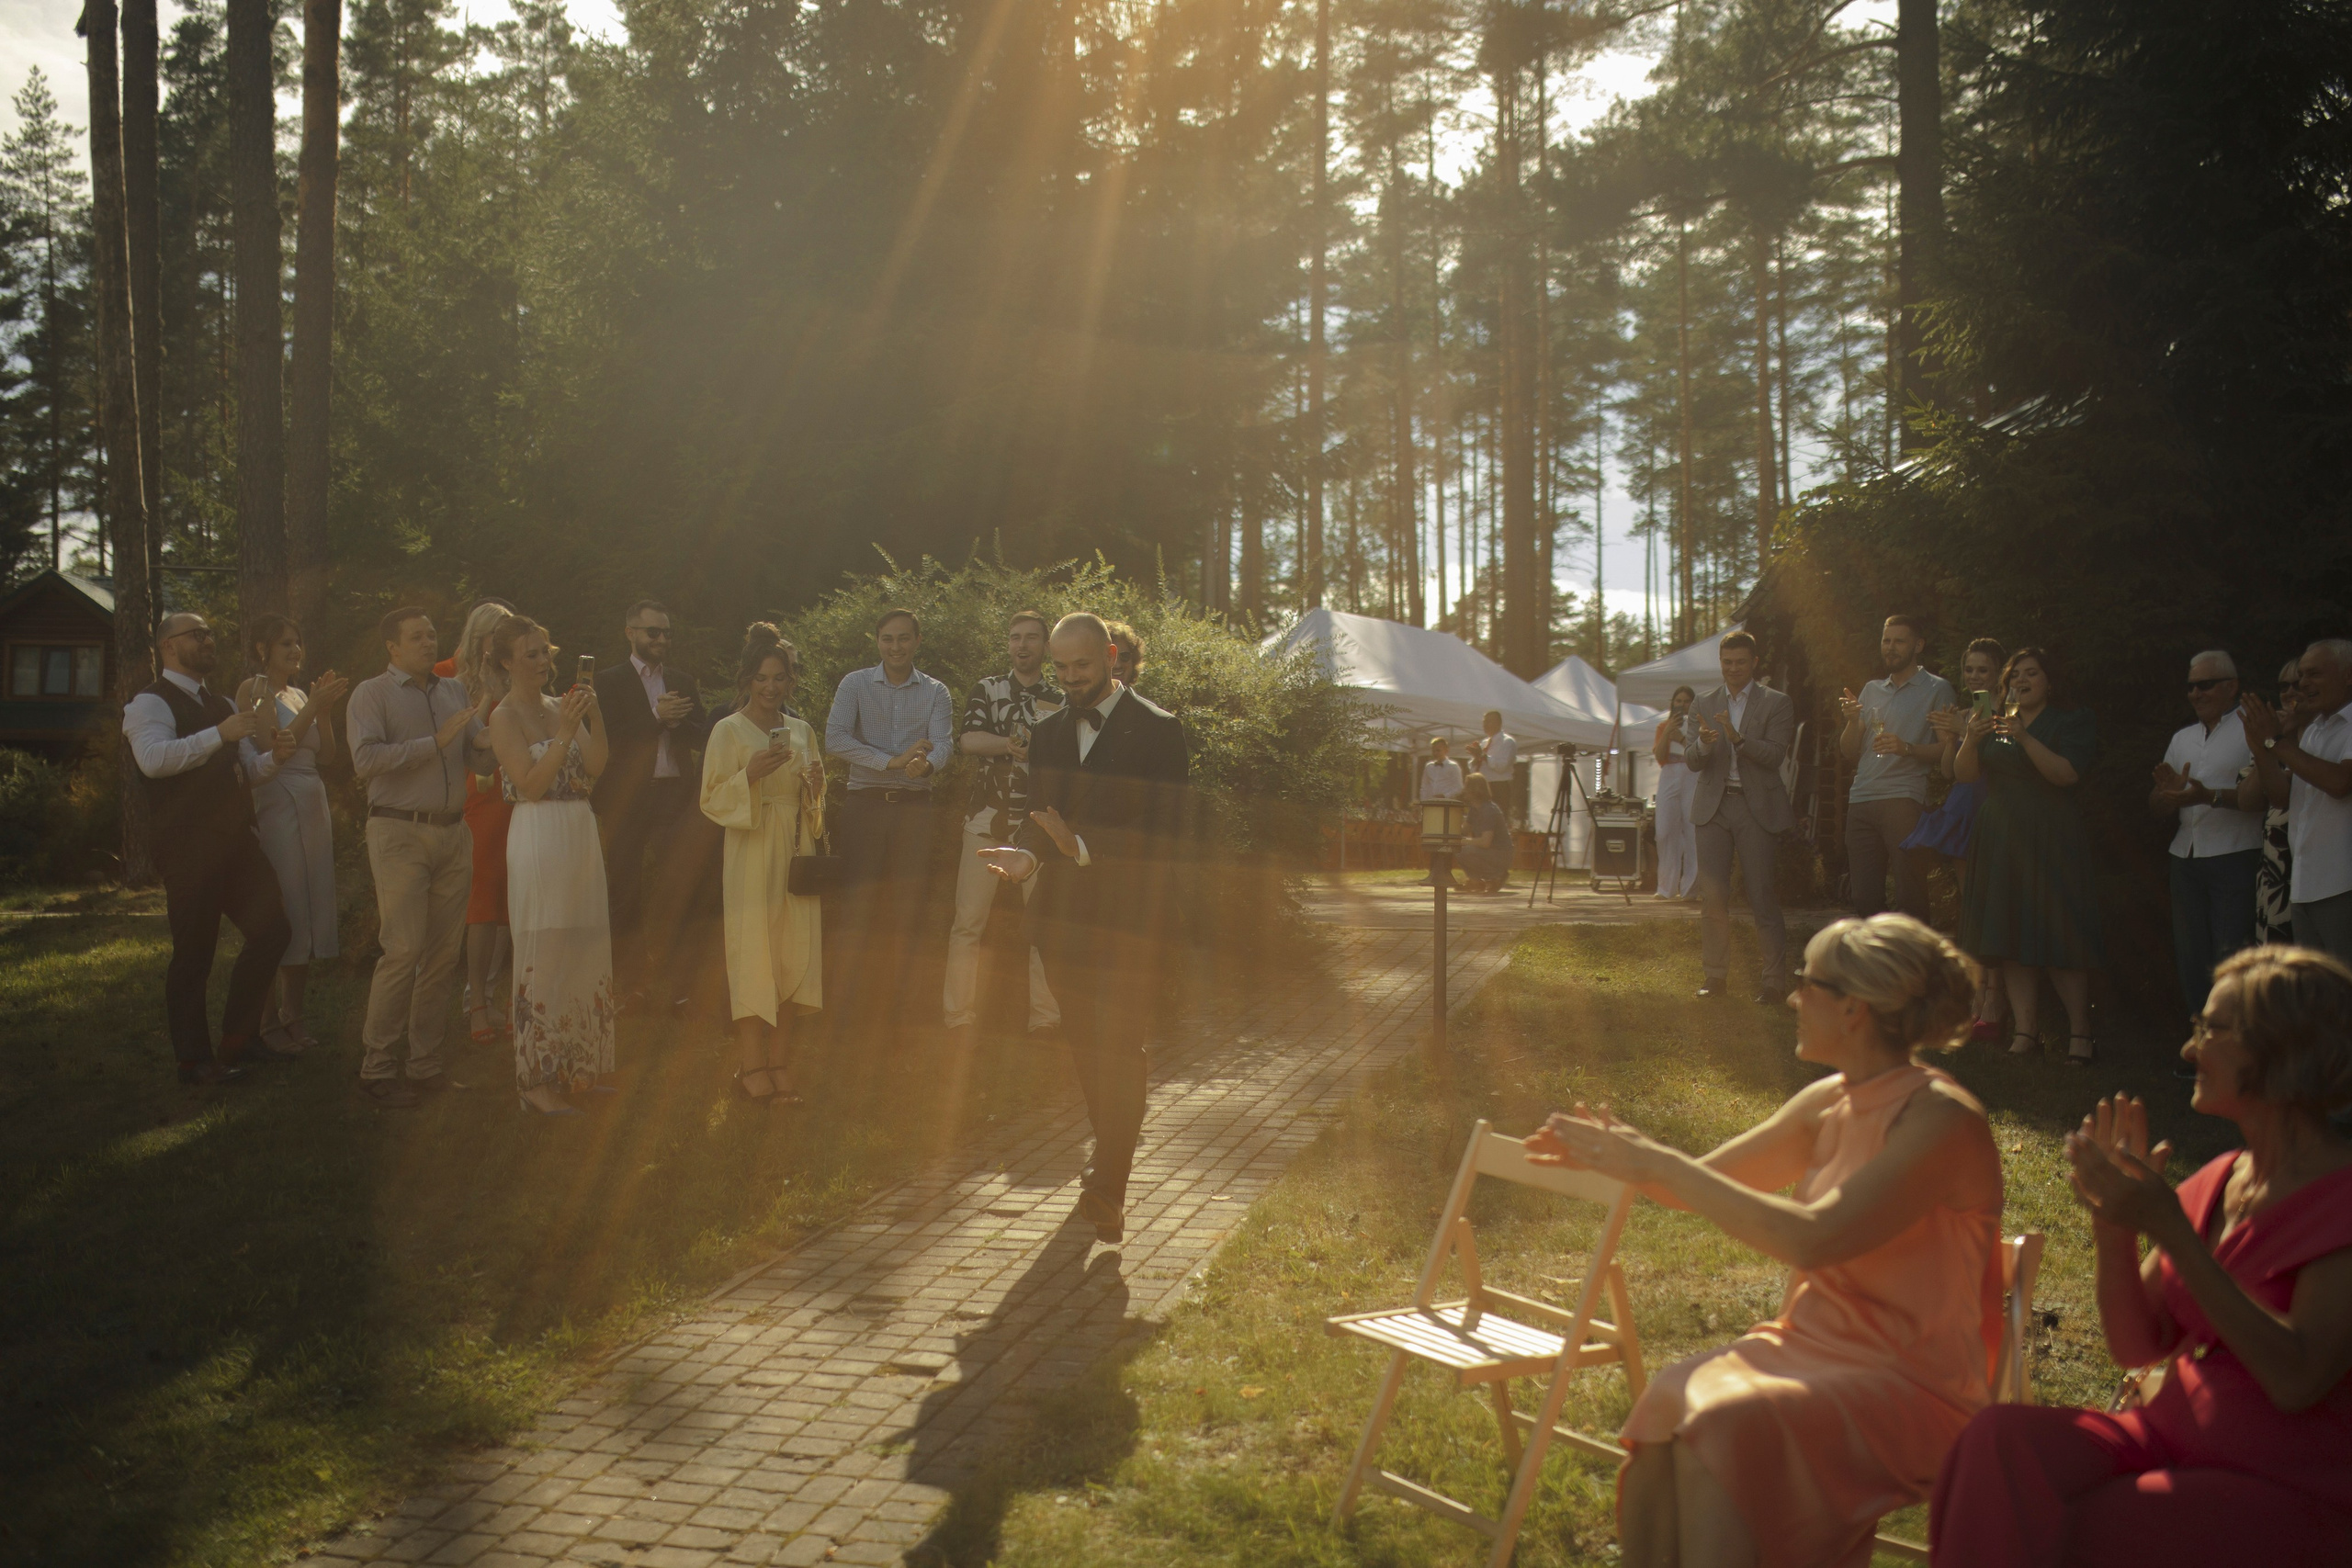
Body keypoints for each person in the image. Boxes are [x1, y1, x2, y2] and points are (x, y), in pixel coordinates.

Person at [1531, 914, 2004, 1568]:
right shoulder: (1828, 1101)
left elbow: (1814, 1239)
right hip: (1809, 1345)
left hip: (1913, 1382)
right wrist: (1616, 1156)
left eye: (1805, 981)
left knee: (1723, 1426)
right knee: (1669, 1397)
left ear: (1853, 1006)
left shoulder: (1941, 1119)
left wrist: (1658, 1164)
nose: (1790, 996)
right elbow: (1700, 1183)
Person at [1929, 945, 2352, 1565]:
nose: (2188, 1049)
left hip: (2287, 1486)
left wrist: (2171, 1229)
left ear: (2279, 1046)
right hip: (2160, 1437)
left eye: (2209, 1029)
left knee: (2112, 1520)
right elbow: (2137, 1344)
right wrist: (2114, 1229)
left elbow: (2297, 1377)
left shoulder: (2339, 1199)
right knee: (1999, 1443)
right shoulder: (2221, 1177)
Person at [978, 613, 1191, 1244]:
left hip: (1131, 921)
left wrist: (1086, 845)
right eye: (1061, 669)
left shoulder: (1159, 731)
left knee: (1120, 1048)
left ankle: (1109, 1185)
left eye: (1083, 667)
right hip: (1063, 923)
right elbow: (1041, 819)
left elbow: (1171, 831)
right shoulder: (1045, 734)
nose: (1071, 680)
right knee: (1086, 1047)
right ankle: (1111, 1147)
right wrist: (1028, 854)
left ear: (1109, 655)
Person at [123, 613, 295, 1086]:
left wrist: (275, 759)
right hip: (188, 847)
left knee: (273, 932)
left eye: (211, 633)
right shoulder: (148, 704)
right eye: (197, 634)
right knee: (194, 954)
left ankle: (240, 1042)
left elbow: (245, 771)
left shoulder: (219, 703)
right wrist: (220, 734)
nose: (208, 640)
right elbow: (154, 761)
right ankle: (193, 1061)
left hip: (238, 843)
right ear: (168, 647)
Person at [347, 607, 495, 1108]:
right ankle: (377, 1067)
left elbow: (476, 755)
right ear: (392, 647)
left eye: (432, 634)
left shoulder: (453, 691)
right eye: (416, 637)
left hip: (455, 834)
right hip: (399, 832)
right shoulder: (372, 694)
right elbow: (365, 761)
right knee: (404, 949)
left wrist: (496, 736)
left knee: (440, 956)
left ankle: (425, 1065)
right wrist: (435, 742)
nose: (429, 643)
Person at [487, 615, 613, 1116]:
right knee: (545, 950)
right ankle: (535, 1081)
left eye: (546, 652)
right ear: (506, 662)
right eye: (530, 654)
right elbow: (530, 785)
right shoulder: (504, 716)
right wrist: (563, 733)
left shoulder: (564, 705)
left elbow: (598, 766)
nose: (543, 662)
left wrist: (592, 717)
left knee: (581, 943)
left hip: (579, 828)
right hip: (539, 832)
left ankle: (578, 1068)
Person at [1956, 646, 2103, 1066]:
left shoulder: (2072, 720)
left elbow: (2067, 774)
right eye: (2014, 675)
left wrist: (2022, 735)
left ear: (2050, 681)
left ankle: (2080, 1032)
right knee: (2009, 932)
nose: (2020, 681)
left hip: (2050, 833)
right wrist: (1971, 736)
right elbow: (1965, 775)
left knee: (2059, 932)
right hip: (2000, 833)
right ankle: (2025, 1031)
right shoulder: (1994, 722)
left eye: (2031, 674)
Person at [702, 624, 828, 1106]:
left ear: (790, 681)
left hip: (796, 853)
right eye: (761, 677)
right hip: (750, 852)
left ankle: (780, 1062)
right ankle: (751, 1065)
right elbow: (711, 799)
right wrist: (749, 775)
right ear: (747, 680)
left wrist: (815, 787)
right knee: (754, 954)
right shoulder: (727, 730)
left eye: (779, 678)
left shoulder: (802, 731)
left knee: (791, 953)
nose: (770, 687)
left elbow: (815, 812)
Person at [825, 607, 955, 1030]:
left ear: (918, 641)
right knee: (858, 905)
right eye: (887, 638)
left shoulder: (936, 691)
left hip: (914, 809)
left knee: (906, 908)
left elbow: (944, 744)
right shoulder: (856, 684)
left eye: (903, 638)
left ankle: (900, 1012)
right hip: (865, 804)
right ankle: (848, 1008)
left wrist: (925, 766)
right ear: (877, 641)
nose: (895, 646)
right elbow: (836, 737)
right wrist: (891, 762)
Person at [944, 610, 1065, 1045]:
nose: (1022, 646)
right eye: (1015, 638)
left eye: (1032, 638)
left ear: (1046, 646)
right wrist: (1011, 747)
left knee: (1042, 927)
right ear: (1008, 643)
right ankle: (959, 1018)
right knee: (968, 924)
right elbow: (968, 740)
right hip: (986, 823)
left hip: (1037, 829)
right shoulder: (988, 689)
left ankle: (1045, 1021)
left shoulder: (1060, 696)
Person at [592, 599, 718, 1014]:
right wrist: (655, 717)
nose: (662, 639)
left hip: (673, 796)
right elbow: (605, 740)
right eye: (653, 632)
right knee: (624, 891)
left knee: (681, 888)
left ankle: (683, 984)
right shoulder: (607, 681)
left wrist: (682, 724)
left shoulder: (681, 678)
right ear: (630, 633)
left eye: (666, 632)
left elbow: (702, 736)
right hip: (626, 798)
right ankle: (632, 986)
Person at [236, 615, 348, 1052]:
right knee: (284, 906)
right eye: (285, 644)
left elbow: (329, 756)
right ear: (263, 649)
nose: (295, 650)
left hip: (312, 798)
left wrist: (323, 711)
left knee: (310, 905)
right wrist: (311, 707)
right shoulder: (255, 689)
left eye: (298, 643)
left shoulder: (300, 693)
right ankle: (265, 1024)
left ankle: (294, 1016)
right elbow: (270, 746)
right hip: (278, 798)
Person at [1685, 631, 1798, 1003]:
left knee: (1761, 894)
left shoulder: (1776, 703)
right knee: (1713, 896)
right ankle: (1714, 977)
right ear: (1721, 663)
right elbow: (1691, 760)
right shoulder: (1703, 702)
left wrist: (1738, 739)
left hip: (1756, 807)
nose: (1732, 669)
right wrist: (1703, 742)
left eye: (1740, 662)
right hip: (1713, 807)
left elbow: (1776, 755)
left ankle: (1773, 983)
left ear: (1754, 663)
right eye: (1727, 662)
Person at [2151, 650, 2259, 1023]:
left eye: (2205, 685)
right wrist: (2166, 794)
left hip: (2235, 853)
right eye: (2191, 686)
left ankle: (2232, 1043)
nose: (2196, 693)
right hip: (2186, 856)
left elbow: (2263, 797)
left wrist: (2204, 796)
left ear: (2232, 686)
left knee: (2228, 956)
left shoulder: (2252, 731)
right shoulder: (2182, 738)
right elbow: (2157, 808)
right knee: (2191, 956)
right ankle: (2201, 1043)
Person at [1910, 637, 2007, 1036]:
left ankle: (1996, 999)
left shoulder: (2007, 714)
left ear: (2000, 672)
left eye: (1982, 670)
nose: (1974, 677)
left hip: (1994, 810)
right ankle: (1977, 996)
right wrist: (1952, 737)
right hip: (1963, 808)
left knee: (1994, 908)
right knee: (1972, 908)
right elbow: (1948, 771)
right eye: (1969, 669)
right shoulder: (1965, 712)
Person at [1837, 615, 1956, 920]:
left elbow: (1949, 750)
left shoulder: (1937, 689)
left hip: (1904, 800)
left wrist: (1908, 748)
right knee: (1863, 898)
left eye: (1899, 641)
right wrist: (1852, 722)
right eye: (1886, 641)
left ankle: (1914, 965)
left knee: (1911, 896)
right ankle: (1880, 965)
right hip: (1861, 799)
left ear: (1918, 645)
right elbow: (1850, 751)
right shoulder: (1871, 689)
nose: (1890, 648)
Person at [2241, 637, 2352, 964]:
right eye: (2301, 675)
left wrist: (2275, 741)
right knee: (2320, 997)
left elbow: (2340, 782)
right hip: (2305, 885)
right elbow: (2281, 798)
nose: (2303, 684)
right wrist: (2262, 748)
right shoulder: (2316, 729)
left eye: (2314, 674)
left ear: (2349, 675)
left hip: (2344, 883)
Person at [436, 599, 516, 1043]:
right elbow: (467, 737)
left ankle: (498, 994)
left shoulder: (515, 673)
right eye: (496, 637)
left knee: (510, 897)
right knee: (483, 897)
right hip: (473, 793)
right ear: (478, 637)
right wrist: (487, 690)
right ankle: (476, 1001)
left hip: (513, 789)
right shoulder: (446, 674)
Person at [2234, 657, 2304, 948]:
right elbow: (2247, 800)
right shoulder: (2271, 739)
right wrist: (2266, 745)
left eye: (2298, 683)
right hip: (2276, 875)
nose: (2289, 692)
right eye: (2282, 686)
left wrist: (2280, 741)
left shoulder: (2325, 736)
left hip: (2316, 872)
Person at [1651, 686, 1699, 900]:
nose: (1681, 705)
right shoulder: (1663, 726)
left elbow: (1700, 754)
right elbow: (1659, 756)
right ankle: (1665, 888)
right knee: (1664, 831)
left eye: (1686, 701)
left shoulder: (1699, 727)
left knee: (1692, 831)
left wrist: (1681, 738)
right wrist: (1668, 732)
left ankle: (1690, 889)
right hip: (1669, 772)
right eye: (1677, 701)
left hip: (1692, 773)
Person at [1456, 773, 1514, 892]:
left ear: (1475, 789)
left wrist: (1462, 841)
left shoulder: (1489, 810)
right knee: (1458, 848)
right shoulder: (1474, 808)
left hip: (1500, 854)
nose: (1464, 790)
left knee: (1464, 850)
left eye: (1467, 786)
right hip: (1490, 852)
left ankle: (1497, 875)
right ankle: (1475, 882)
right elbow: (1464, 830)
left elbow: (1485, 842)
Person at [1468, 709, 1521, 825]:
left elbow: (1501, 767)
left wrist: (1483, 756)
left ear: (1499, 723)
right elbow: (1473, 769)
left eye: (1488, 722)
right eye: (1484, 722)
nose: (1485, 725)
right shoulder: (1484, 742)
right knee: (1480, 822)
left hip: (1498, 787)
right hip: (1482, 787)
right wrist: (1476, 757)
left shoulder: (1507, 742)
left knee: (1496, 823)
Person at [1418, 736, 1464, 802]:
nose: (1435, 753)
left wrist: (1445, 796)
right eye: (1433, 751)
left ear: (1446, 750)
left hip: (1447, 803)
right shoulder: (1429, 766)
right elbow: (1424, 787)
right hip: (1430, 804)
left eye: (1438, 750)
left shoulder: (1453, 766)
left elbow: (1459, 788)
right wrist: (1423, 802)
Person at [1105, 618, 1146, 690]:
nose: (1118, 665)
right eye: (1110, 657)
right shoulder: (1081, 700)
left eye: (1124, 656)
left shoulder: (1136, 701)